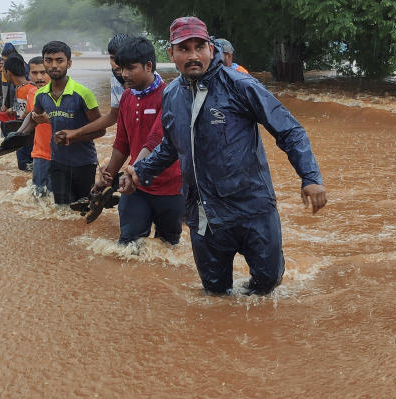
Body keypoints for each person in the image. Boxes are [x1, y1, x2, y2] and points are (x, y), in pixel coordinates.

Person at [123, 16, 327, 295]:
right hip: (204, 213)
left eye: (199, 47)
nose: (193, 56)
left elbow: (289, 130)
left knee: (268, 283)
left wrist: (310, 177)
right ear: (171, 54)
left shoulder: (240, 85)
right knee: (215, 294)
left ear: (210, 48)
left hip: (252, 208)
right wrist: (141, 171)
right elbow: (172, 145)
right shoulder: (171, 95)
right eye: (184, 49)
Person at [95, 37, 184, 246]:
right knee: (127, 244)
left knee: (168, 246)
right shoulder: (126, 97)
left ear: (148, 66)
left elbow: (155, 140)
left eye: (130, 68)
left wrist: (129, 172)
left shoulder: (170, 95)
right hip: (136, 188)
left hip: (170, 187)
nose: (124, 74)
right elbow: (121, 144)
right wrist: (105, 178)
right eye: (121, 68)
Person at [31, 41, 104, 205]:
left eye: (59, 60)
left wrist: (74, 137)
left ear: (69, 63)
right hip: (57, 162)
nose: (53, 65)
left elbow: (101, 130)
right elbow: (34, 117)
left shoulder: (83, 94)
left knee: (83, 210)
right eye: (48, 60)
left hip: (84, 163)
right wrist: (17, 135)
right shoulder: (41, 95)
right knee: (62, 211)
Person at [0, 55, 36, 171]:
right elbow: (24, 107)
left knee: (26, 169)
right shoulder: (18, 88)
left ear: (8, 72)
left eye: (3, 71)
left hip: (28, 137)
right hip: (23, 136)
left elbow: (33, 112)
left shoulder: (30, 89)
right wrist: (12, 110)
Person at [25, 57, 52, 197]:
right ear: (28, 74)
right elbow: (29, 118)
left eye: (43, 72)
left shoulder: (64, 93)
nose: (39, 77)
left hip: (62, 155)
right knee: (38, 196)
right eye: (34, 73)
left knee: (59, 201)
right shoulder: (31, 93)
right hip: (40, 154)